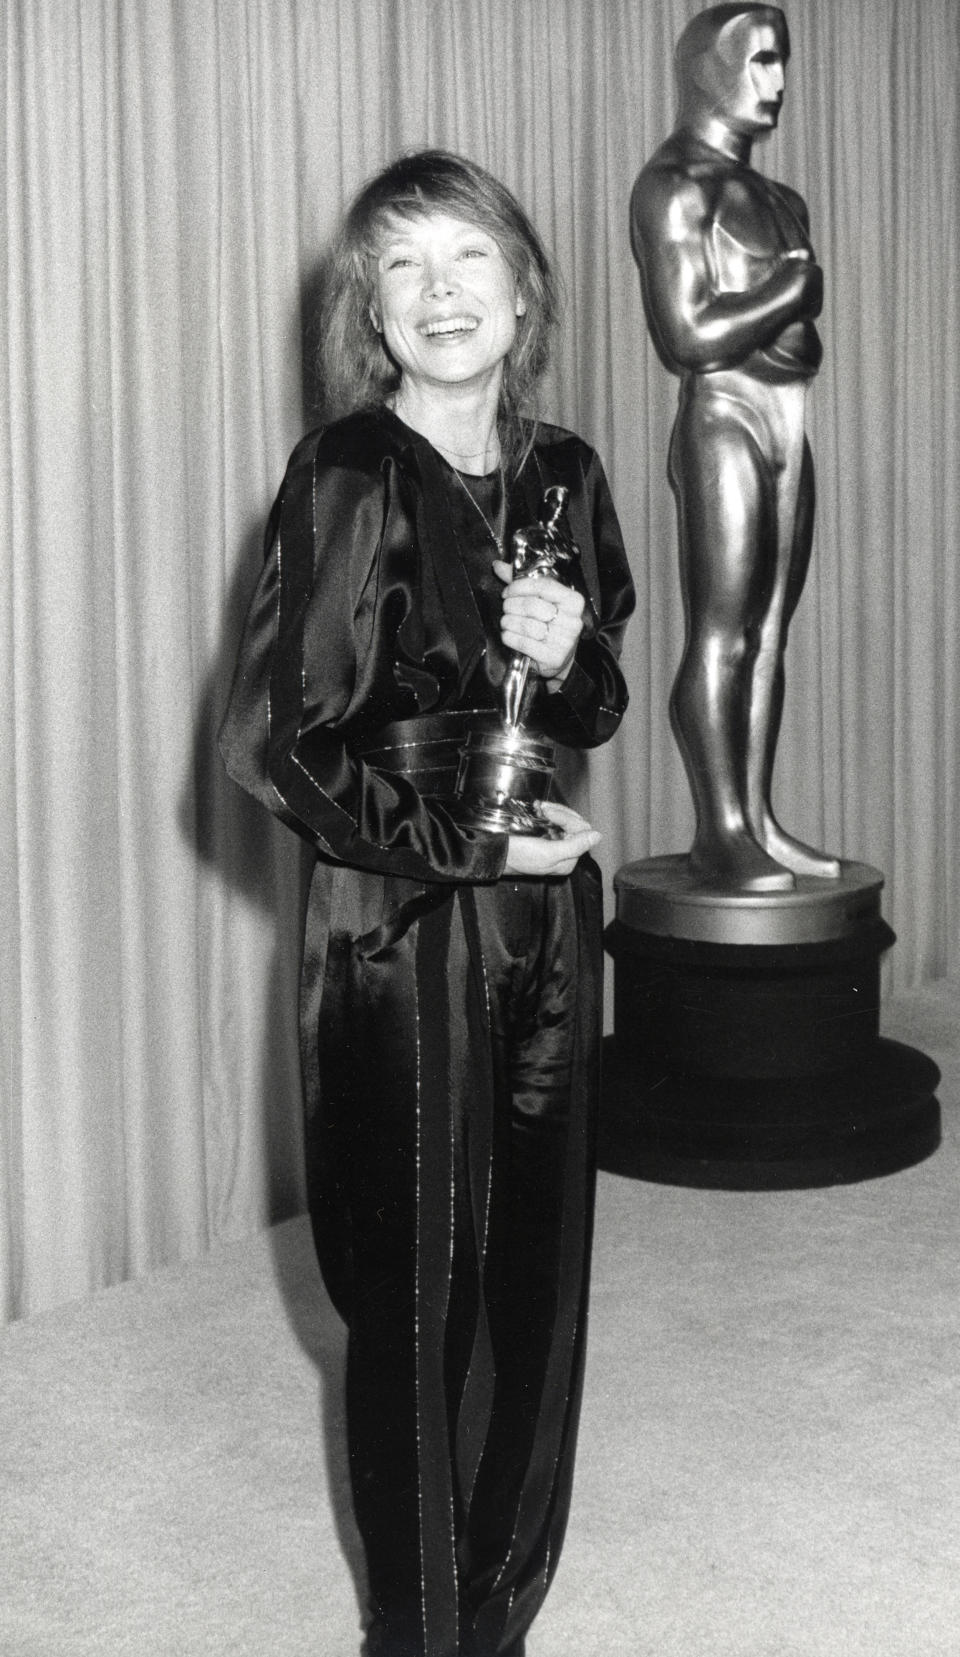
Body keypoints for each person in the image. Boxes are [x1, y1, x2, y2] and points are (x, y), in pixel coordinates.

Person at [219, 149, 634, 1657]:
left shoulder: (567, 471)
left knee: (538, 1281)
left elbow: (588, 701)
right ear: (369, 312)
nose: (442, 292)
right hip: (399, 918)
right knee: (413, 1302)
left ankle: (501, 1612)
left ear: (525, 291)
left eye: (470, 258)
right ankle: (419, 1633)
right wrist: (465, 846)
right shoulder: (344, 473)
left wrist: (571, 636)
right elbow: (272, 748)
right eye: (405, 265)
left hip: (543, 913)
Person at [630, 3, 840, 891]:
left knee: (768, 631)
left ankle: (755, 818)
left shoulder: (779, 199)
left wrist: (793, 307)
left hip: (787, 414)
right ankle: (721, 830)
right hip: (722, 414)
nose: (779, 83)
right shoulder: (676, 185)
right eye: (759, 63)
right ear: (714, 70)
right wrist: (792, 290)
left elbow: (799, 339)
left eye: (782, 62)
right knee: (721, 630)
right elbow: (687, 333)